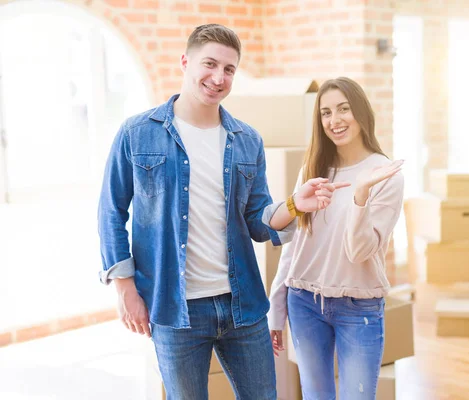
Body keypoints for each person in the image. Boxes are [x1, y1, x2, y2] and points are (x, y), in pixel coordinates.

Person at [97, 24, 347, 400]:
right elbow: (111, 212)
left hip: (242, 305)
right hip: (173, 308)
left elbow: (258, 221)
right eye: (209, 64)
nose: (218, 78)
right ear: (185, 62)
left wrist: (296, 204)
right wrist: (125, 288)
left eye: (229, 69)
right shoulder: (137, 133)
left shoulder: (247, 140)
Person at [267, 77, 405, 400]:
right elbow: (296, 244)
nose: (334, 120)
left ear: (360, 112)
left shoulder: (385, 175)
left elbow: (360, 251)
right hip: (304, 302)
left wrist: (360, 196)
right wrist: (276, 306)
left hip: (359, 307)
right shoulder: (314, 168)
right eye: (326, 113)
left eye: (343, 109)